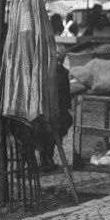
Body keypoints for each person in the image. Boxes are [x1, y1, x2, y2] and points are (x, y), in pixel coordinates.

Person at [36, 44, 74, 172]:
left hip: (58, 110)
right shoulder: (43, 71)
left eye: (61, 60)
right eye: (56, 60)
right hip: (44, 109)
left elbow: (66, 95)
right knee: (45, 131)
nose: (58, 63)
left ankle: (49, 157)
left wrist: (64, 109)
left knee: (63, 124)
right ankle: (44, 158)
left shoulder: (63, 73)